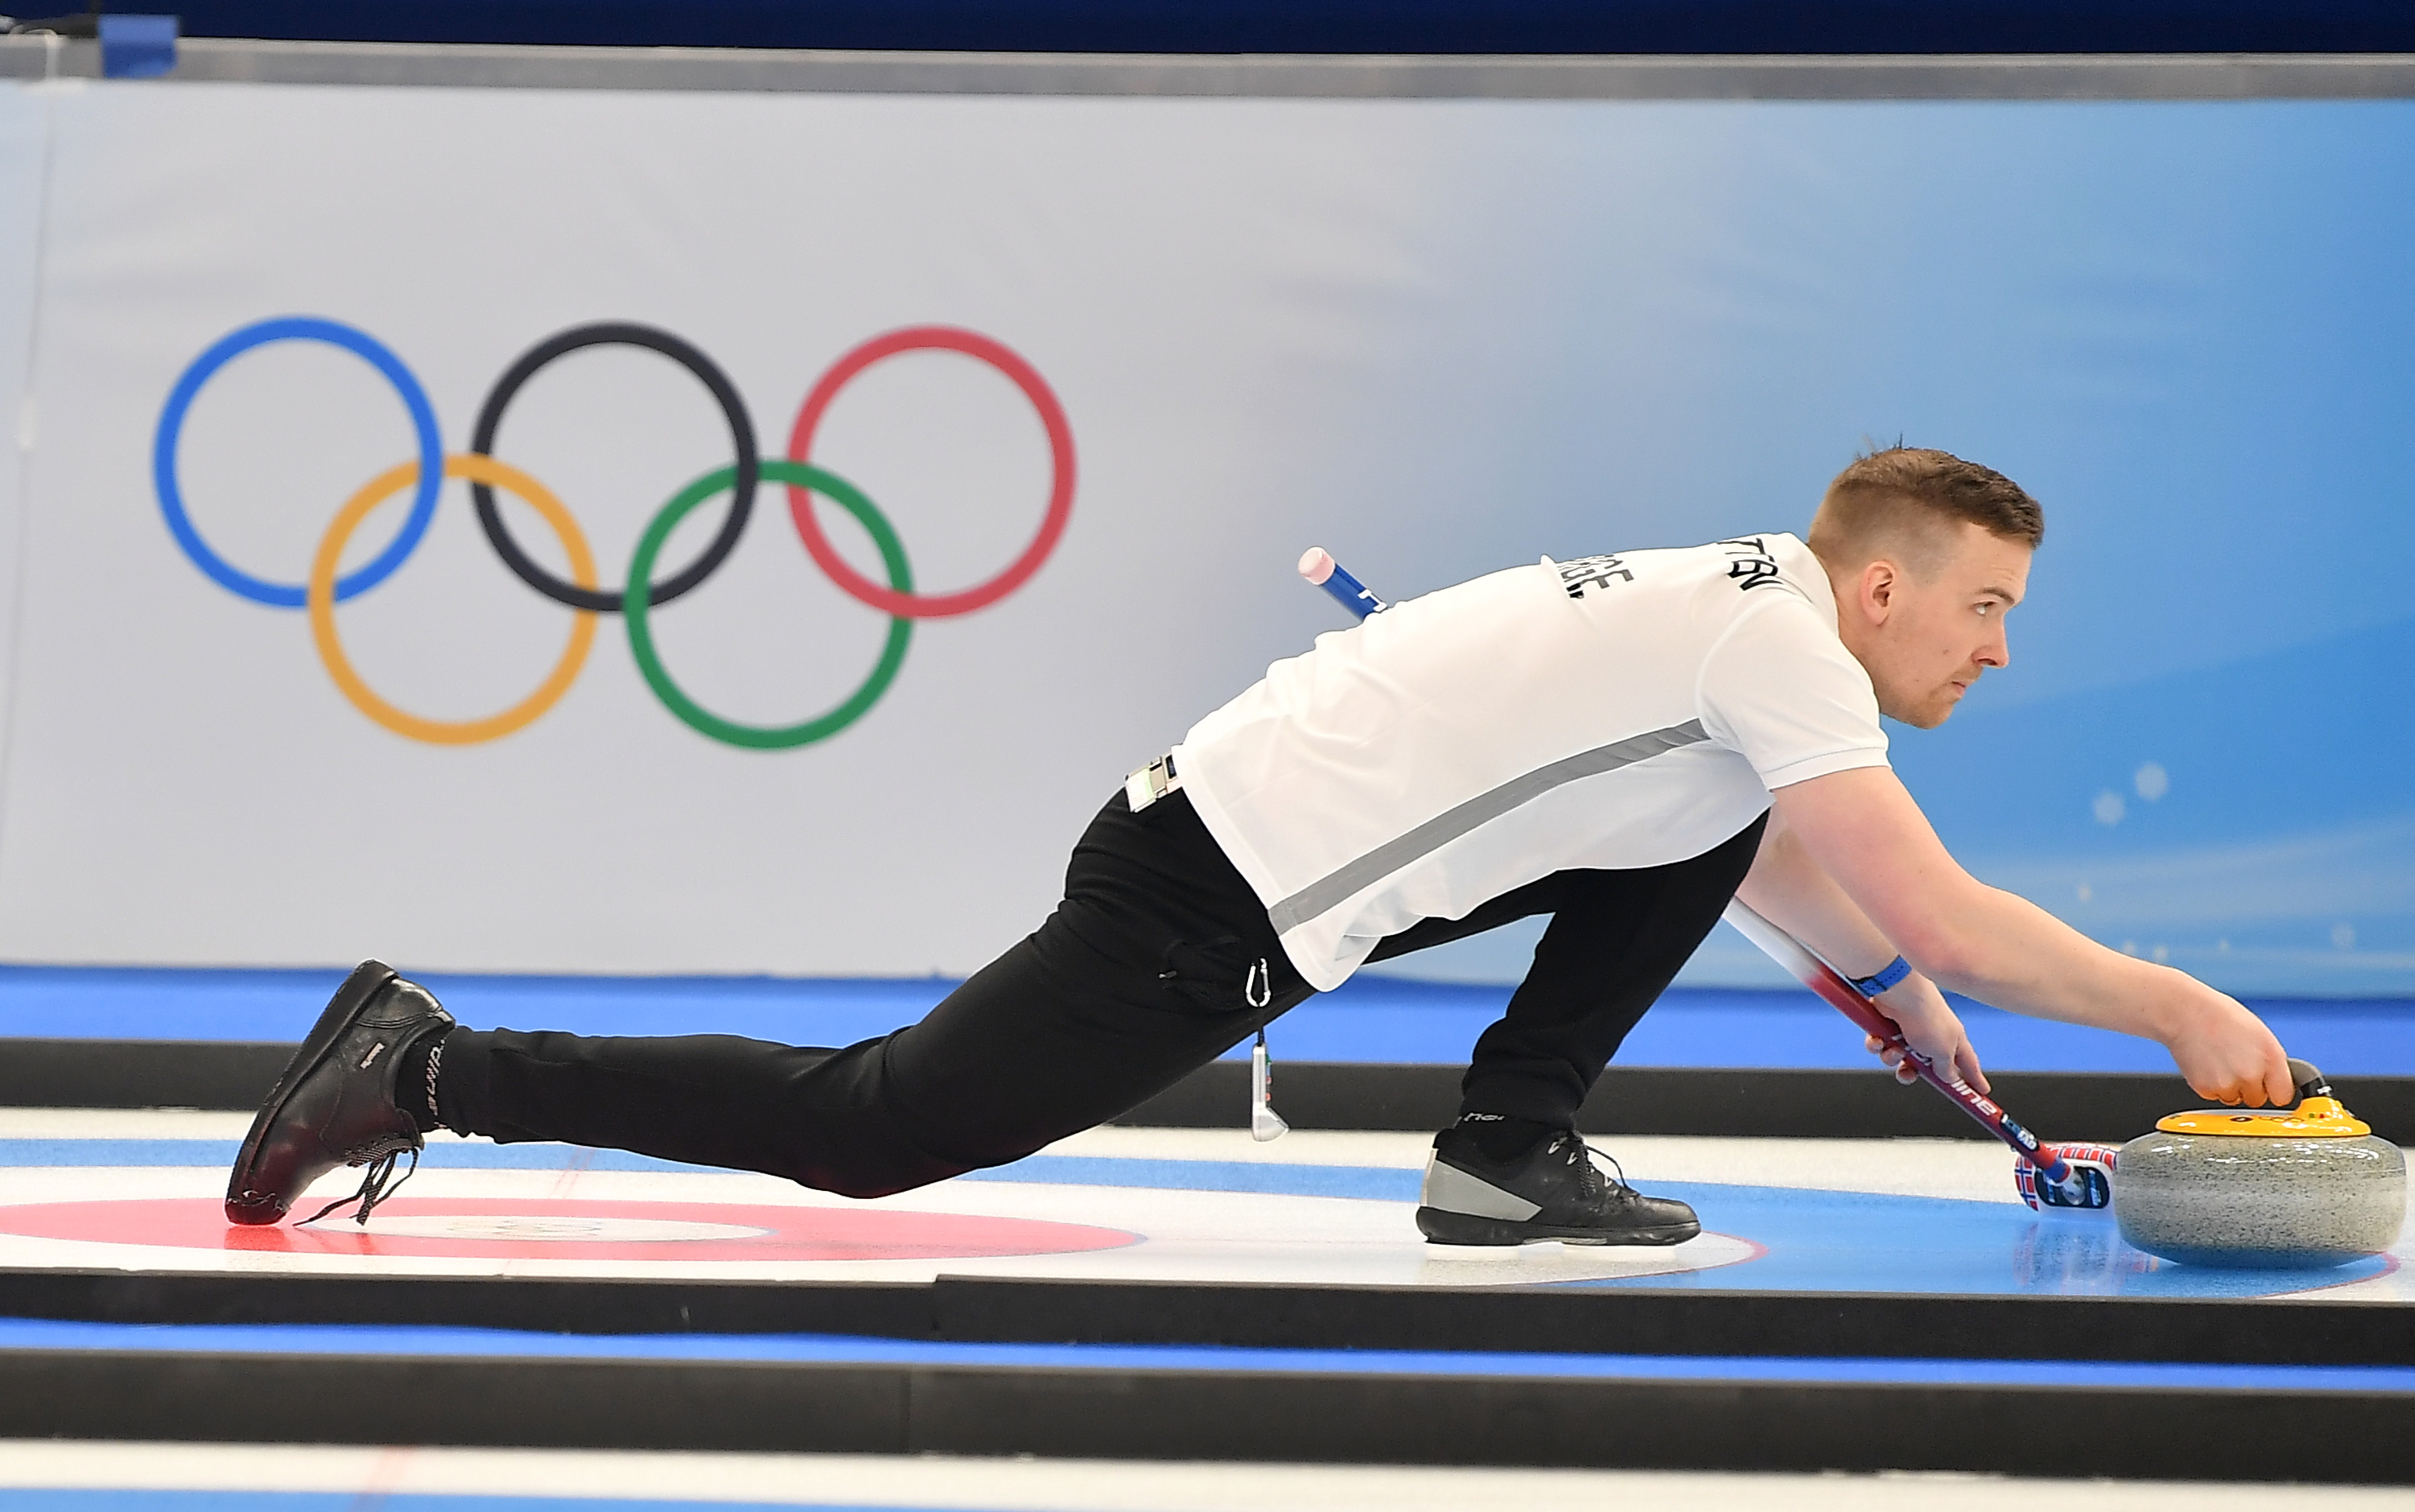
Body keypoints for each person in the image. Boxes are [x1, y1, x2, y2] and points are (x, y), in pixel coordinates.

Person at [225, 447, 2293, 1242]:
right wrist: (2172, 1007)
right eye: (1984, 607)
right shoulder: (1772, 636)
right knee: (874, 1133)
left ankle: (1504, 1148)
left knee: (1707, 816)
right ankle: (431, 1065)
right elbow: (1934, 903)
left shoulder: (1748, 628)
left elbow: (1767, 864)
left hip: (1253, 844)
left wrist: (1896, 997)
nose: (1996, 647)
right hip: (1208, 885)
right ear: (1881, 587)